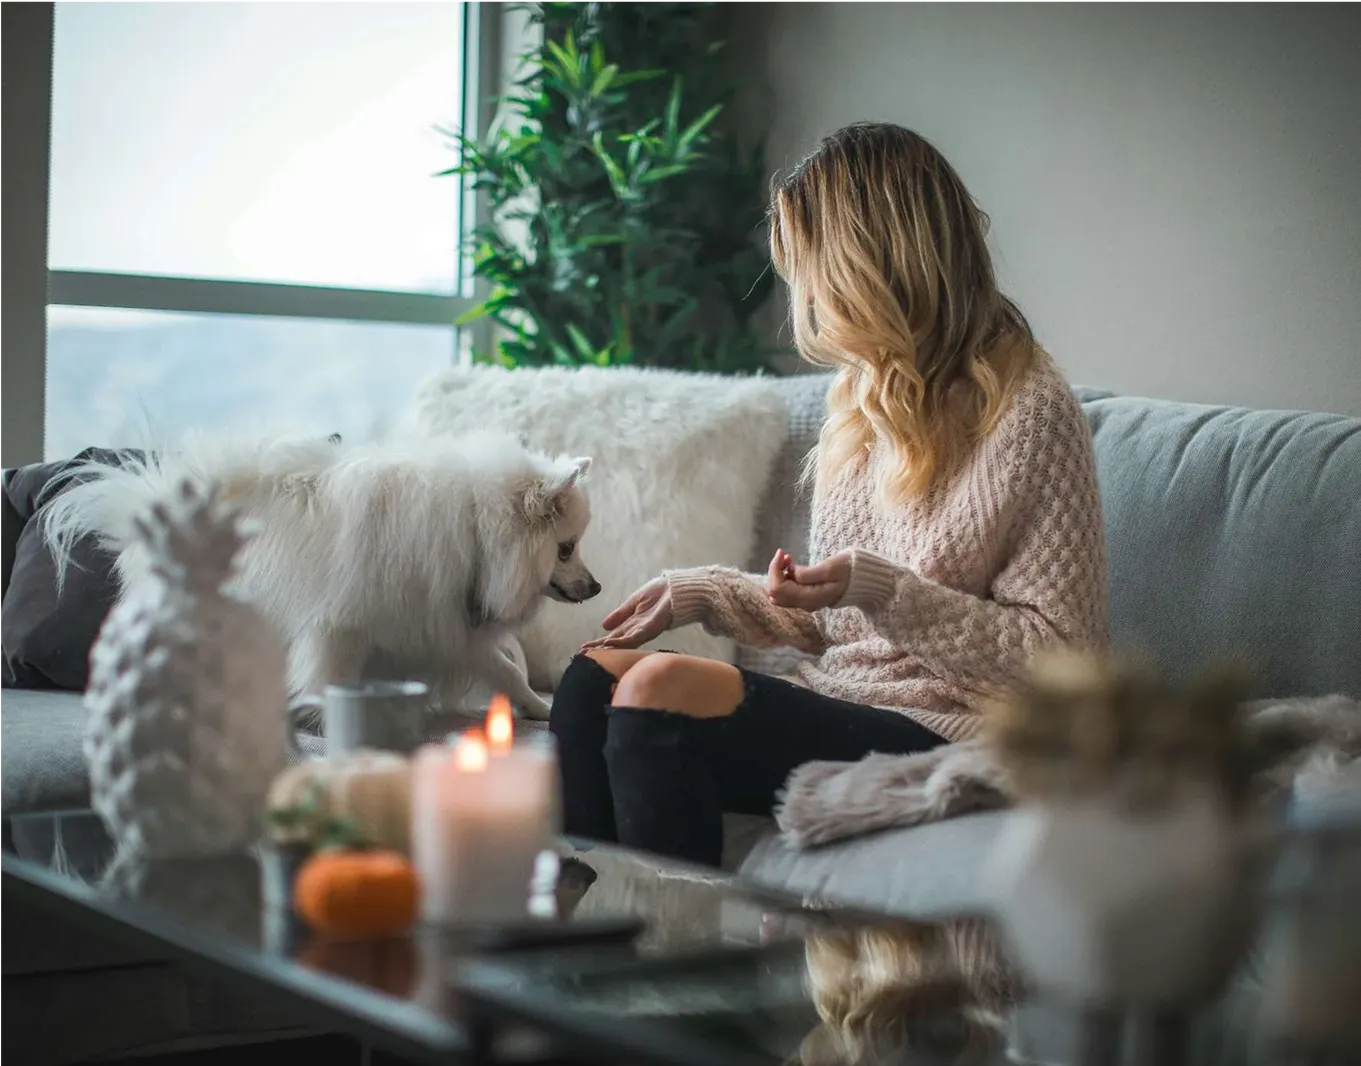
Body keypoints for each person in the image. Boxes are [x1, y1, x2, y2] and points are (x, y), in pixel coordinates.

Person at [549, 122, 1108, 867]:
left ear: (868, 263)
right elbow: (837, 622)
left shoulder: (1029, 408)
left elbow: (1059, 664)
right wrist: (706, 592)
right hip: (844, 697)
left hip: (958, 725)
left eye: (808, 265)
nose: (802, 291)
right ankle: (581, 950)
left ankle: (673, 972)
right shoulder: (861, 396)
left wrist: (884, 591)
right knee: (592, 678)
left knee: (659, 689)